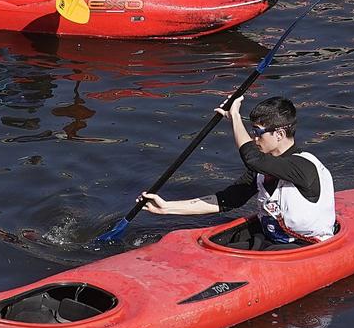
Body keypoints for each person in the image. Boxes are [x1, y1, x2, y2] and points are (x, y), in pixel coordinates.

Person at [140, 95, 337, 251]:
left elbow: (252, 158)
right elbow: (228, 200)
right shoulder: (262, 170)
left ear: (279, 134)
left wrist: (234, 116)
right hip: (270, 239)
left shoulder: (303, 167)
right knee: (214, 246)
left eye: (257, 132)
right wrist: (167, 208)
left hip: (306, 246)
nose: (254, 138)